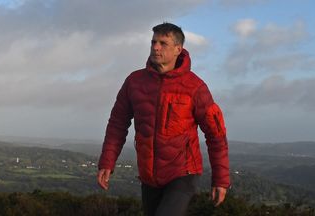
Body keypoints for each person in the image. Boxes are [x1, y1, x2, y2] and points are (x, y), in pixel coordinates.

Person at [97, 22, 230, 216]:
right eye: (153, 42)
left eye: (162, 43)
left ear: (178, 49)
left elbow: (216, 135)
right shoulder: (134, 82)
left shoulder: (195, 87)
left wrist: (220, 180)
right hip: (149, 176)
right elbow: (117, 124)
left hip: (183, 173)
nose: (155, 47)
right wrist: (107, 162)